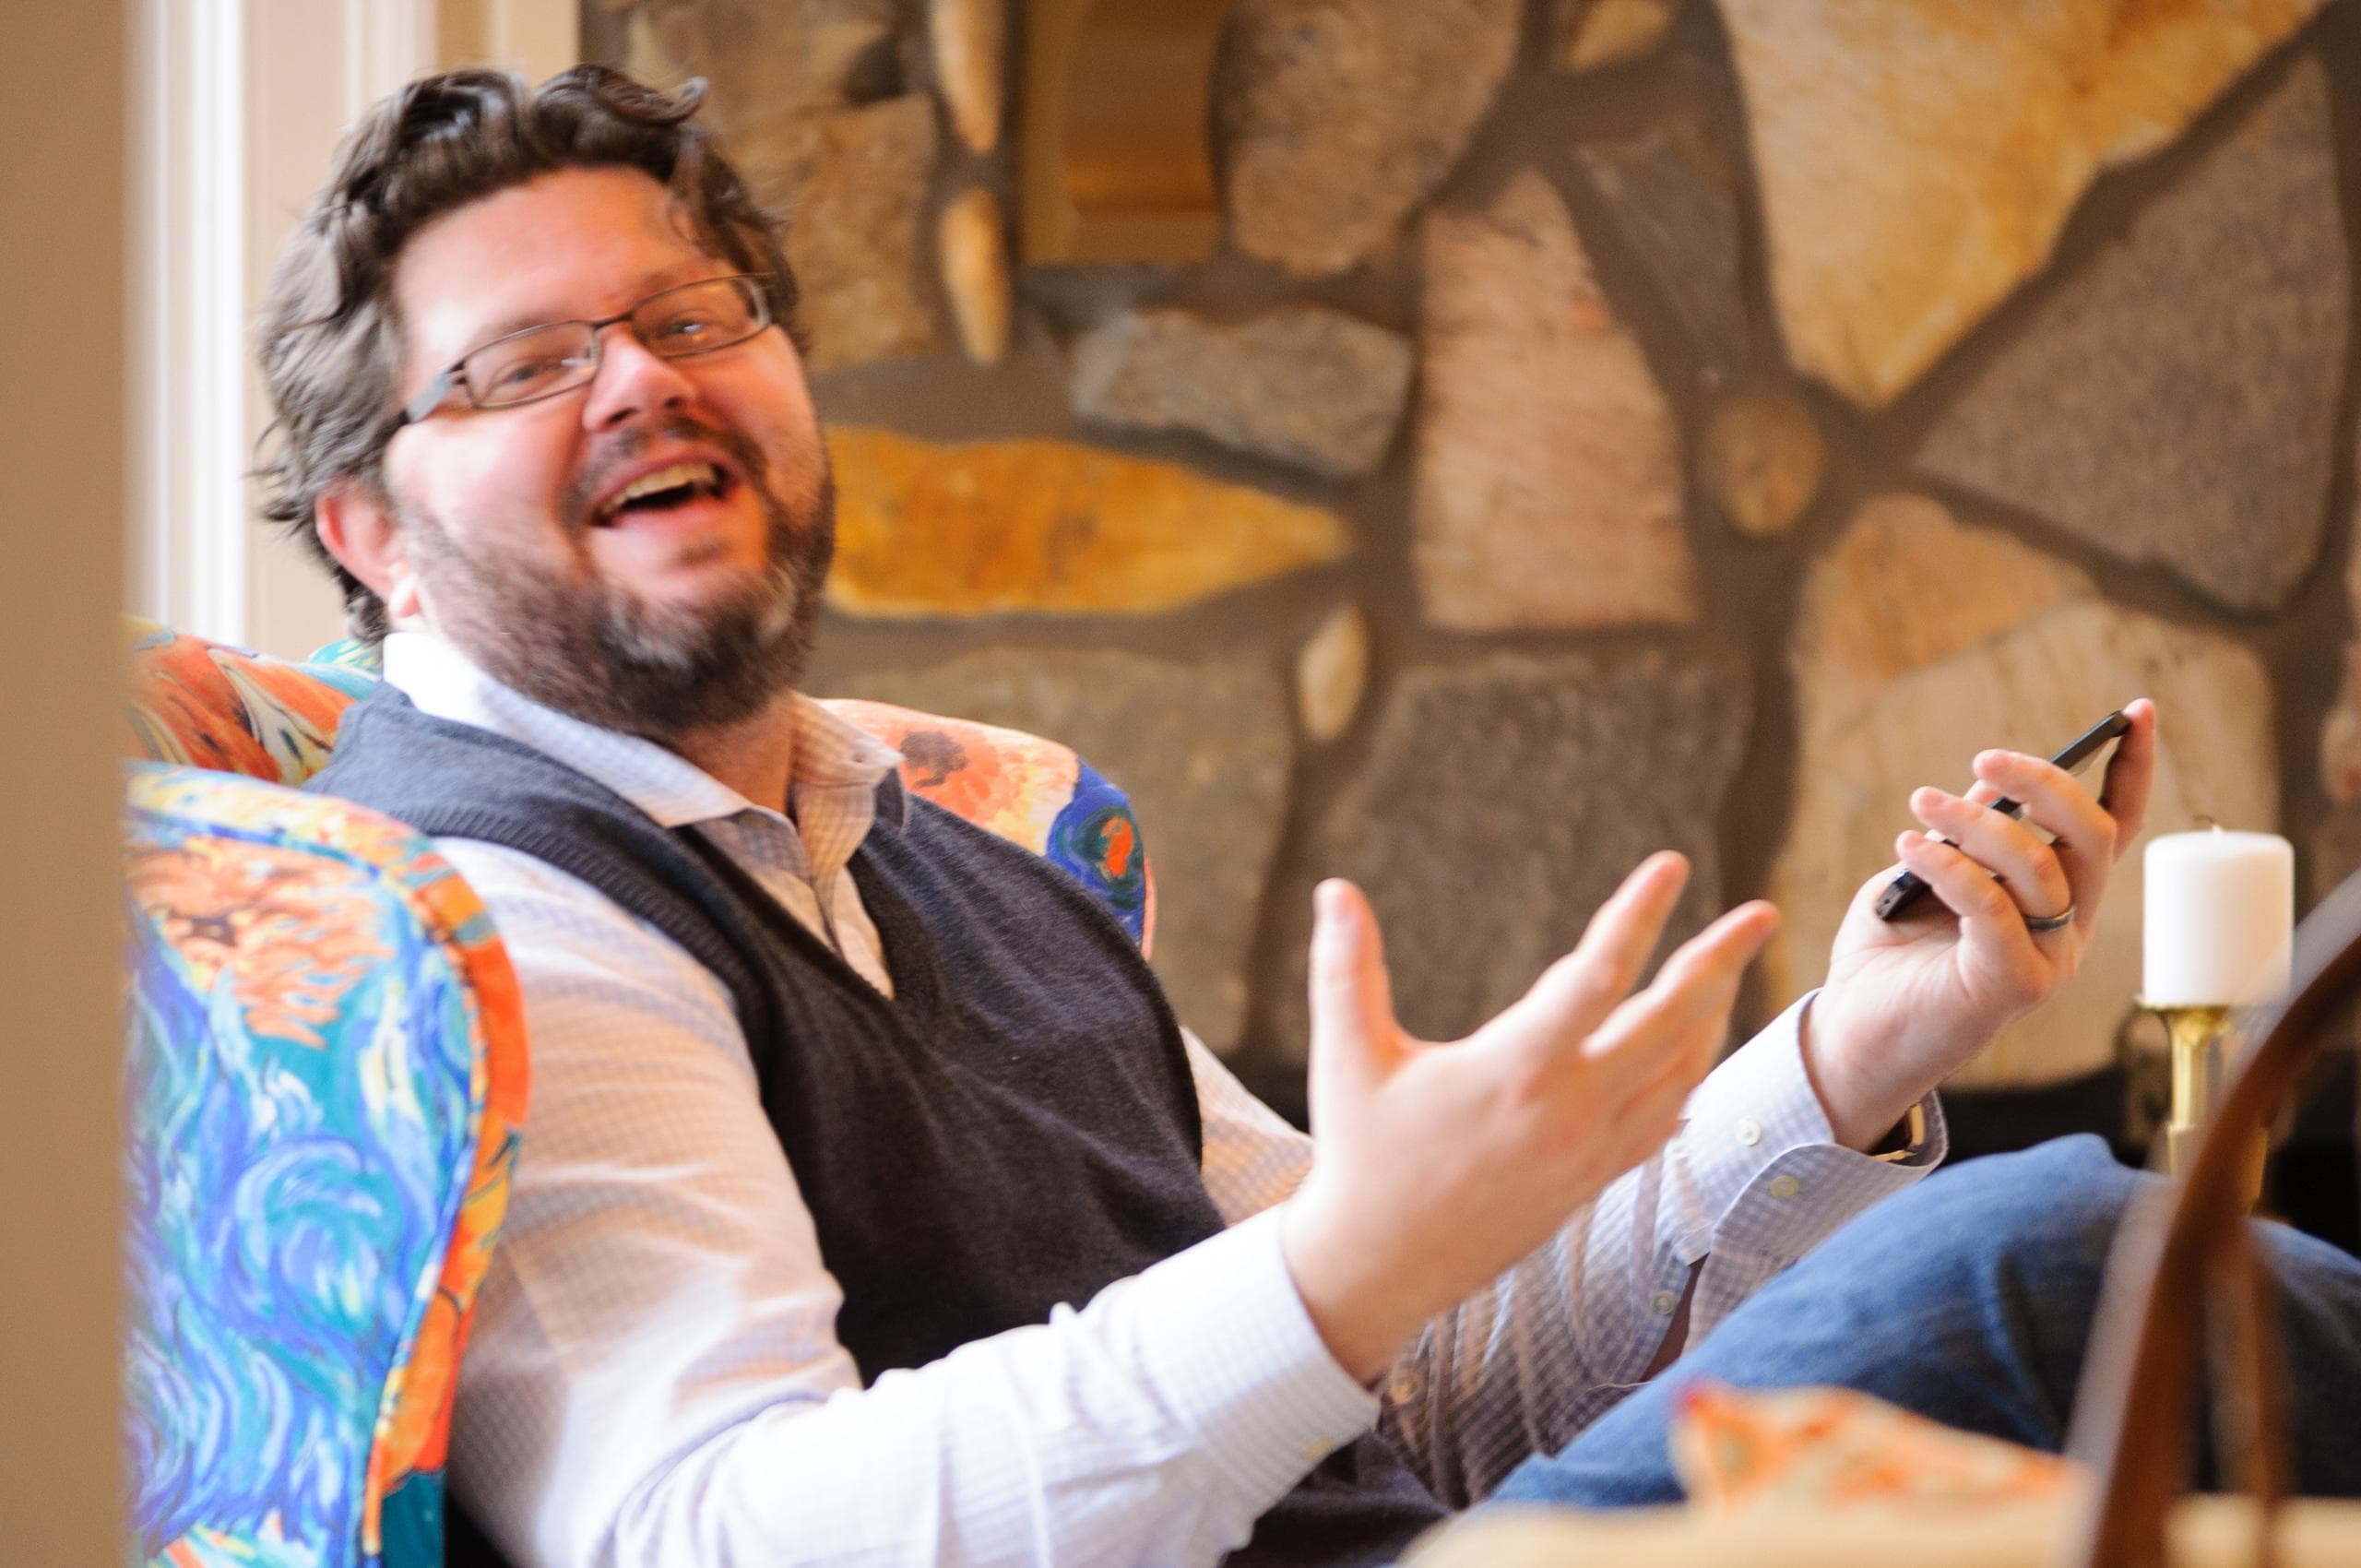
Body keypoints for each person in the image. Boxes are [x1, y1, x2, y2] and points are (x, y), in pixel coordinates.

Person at [256, 65, 2350, 1568]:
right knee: (2031, 1251)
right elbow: (713, 1531)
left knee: (2027, 1239)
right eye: (522, 364)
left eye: (696, 317)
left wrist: (1841, 1054)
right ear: (374, 536)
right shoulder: (489, 925)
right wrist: (1346, 1263)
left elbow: (1412, 1384)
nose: (639, 381)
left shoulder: (950, 849)